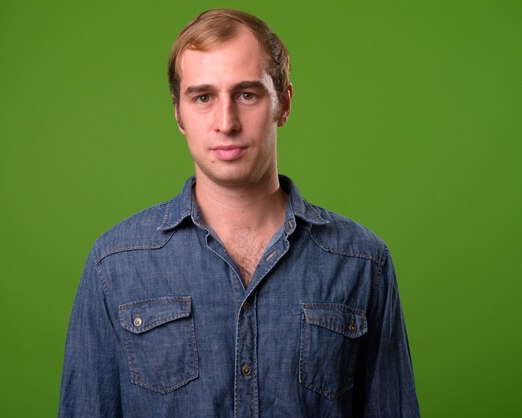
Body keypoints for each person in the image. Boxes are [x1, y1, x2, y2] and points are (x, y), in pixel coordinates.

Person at [58, 8, 419, 418]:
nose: (226, 122)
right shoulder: (115, 264)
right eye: (204, 97)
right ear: (178, 112)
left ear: (283, 104)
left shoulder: (361, 261)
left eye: (247, 94)